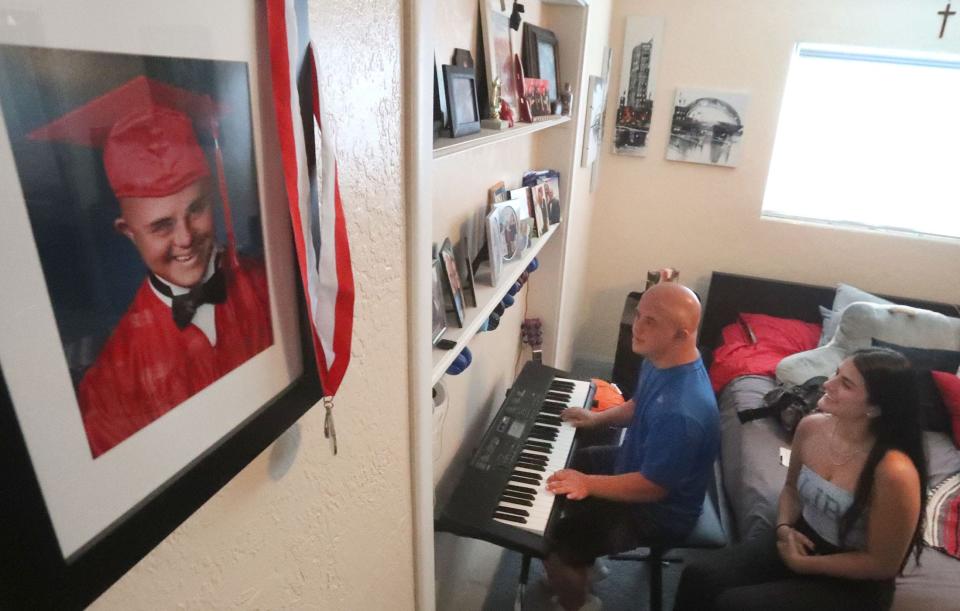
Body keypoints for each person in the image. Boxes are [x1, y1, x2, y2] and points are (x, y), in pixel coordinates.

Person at [29, 76, 273, 457]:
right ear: (127, 232)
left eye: (196, 209)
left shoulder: (270, 289)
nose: (185, 238)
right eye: (161, 225)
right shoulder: (110, 385)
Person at [674, 347, 927, 611]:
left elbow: (882, 564)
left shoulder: (894, 472)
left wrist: (806, 564)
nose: (828, 384)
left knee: (735, 604)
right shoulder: (812, 427)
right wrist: (784, 528)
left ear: (875, 407)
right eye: (836, 373)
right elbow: (792, 490)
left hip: (854, 581)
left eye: (846, 384)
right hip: (801, 539)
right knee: (699, 576)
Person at [543, 282, 720, 611]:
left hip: (659, 511)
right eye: (638, 315)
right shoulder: (661, 357)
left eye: (650, 321)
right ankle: (587, 564)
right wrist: (598, 419)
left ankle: (578, 601)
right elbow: (641, 404)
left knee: (557, 541)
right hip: (638, 465)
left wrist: (588, 483)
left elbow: (652, 489)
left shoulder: (683, 411)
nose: (636, 327)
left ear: (682, 334)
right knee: (579, 460)